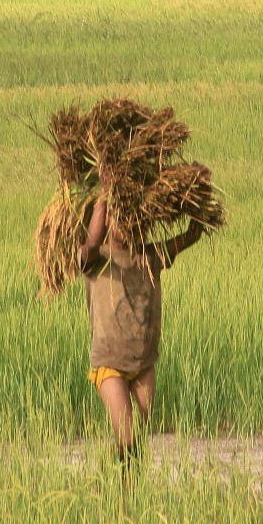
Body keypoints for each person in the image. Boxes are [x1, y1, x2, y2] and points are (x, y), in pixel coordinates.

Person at [78, 195, 207, 462]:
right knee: (128, 437)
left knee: (137, 437)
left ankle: (119, 484)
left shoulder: (150, 256)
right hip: (109, 362)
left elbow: (191, 236)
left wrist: (196, 201)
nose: (125, 225)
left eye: (131, 218)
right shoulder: (95, 259)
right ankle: (119, 487)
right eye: (119, 218)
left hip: (145, 362)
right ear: (106, 222)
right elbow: (90, 243)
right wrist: (104, 195)